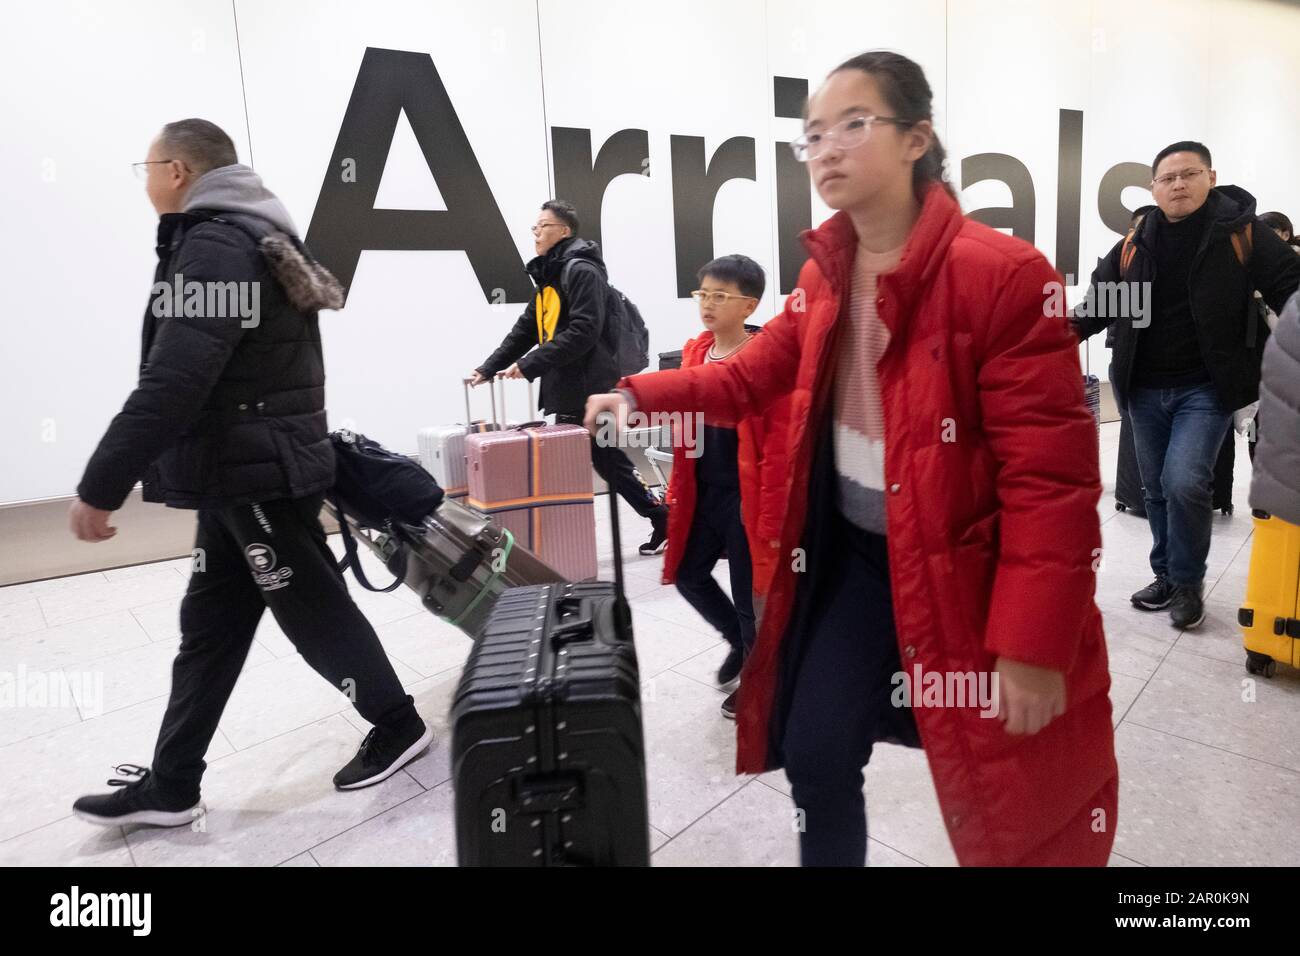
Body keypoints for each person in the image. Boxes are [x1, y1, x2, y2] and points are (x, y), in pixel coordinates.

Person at [586, 51, 1117, 866]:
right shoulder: (825, 275)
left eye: (854, 125)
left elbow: (1050, 477)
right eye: (812, 135)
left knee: (1011, 798)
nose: (827, 148)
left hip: (964, 570)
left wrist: (1035, 642)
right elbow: (755, 375)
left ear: (916, 139)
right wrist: (643, 394)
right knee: (815, 747)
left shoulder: (1001, 276)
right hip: (860, 561)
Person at [70, 119, 430, 828]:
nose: (144, 179)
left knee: (311, 610)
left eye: (146, 166)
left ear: (176, 170)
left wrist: (101, 484)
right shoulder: (237, 237)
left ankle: (397, 723)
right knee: (208, 628)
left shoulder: (215, 246)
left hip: (255, 473)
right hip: (235, 470)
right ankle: (173, 782)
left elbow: (175, 379)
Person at [1073, 142, 1300, 628]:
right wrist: (1045, 336)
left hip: (1205, 387)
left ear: (1210, 178)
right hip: (1142, 386)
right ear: (1154, 187)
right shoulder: (1139, 239)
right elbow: (1100, 304)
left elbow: (1289, 281)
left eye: (1189, 174)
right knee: (1154, 488)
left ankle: (1189, 581)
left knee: (1185, 481)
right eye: (1167, 178)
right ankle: (1168, 577)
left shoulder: (1240, 233)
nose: (1178, 184)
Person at [471, 200, 668, 554]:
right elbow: (525, 330)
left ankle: (656, 517)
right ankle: (657, 517)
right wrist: (488, 367)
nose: (535, 233)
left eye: (543, 226)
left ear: (564, 231)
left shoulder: (581, 271)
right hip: (570, 385)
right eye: (534, 227)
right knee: (603, 459)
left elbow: (584, 330)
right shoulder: (551, 275)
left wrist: (531, 364)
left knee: (603, 459)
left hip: (590, 387)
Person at [660, 254, 791, 718]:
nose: (708, 304)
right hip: (703, 489)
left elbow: (780, 443)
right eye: (703, 294)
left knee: (749, 596)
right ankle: (737, 643)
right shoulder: (696, 351)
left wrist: (770, 510)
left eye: (720, 296)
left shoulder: (766, 359)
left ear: (749, 306)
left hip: (746, 495)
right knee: (688, 573)